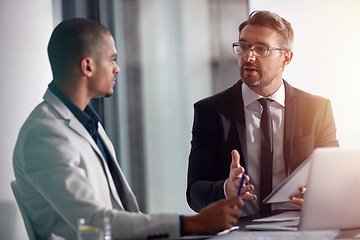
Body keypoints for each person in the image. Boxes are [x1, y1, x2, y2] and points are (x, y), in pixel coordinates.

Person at [12, 18, 244, 240]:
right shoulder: (44, 135)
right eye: (112, 59)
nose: (117, 69)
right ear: (88, 66)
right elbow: (94, 221)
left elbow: (120, 212)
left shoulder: (87, 124)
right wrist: (193, 223)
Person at [186, 10, 339, 216]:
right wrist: (226, 189)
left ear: (286, 58)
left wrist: (319, 195)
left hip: (298, 226)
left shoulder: (317, 110)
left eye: (261, 49)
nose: (248, 56)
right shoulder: (210, 112)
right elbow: (195, 192)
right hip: (238, 230)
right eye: (243, 46)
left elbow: (335, 181)